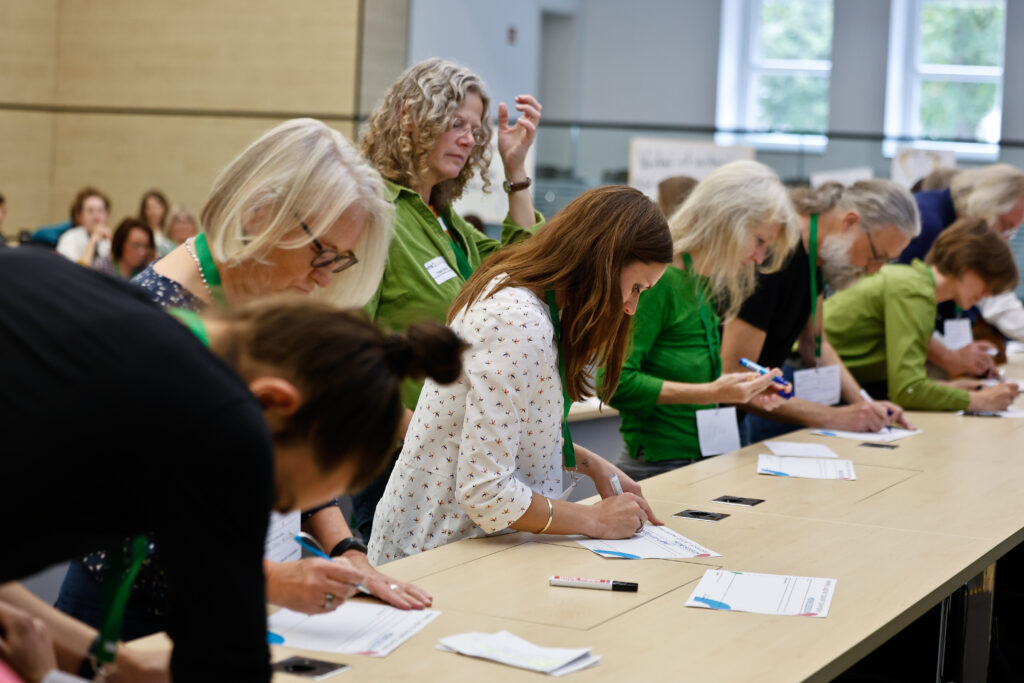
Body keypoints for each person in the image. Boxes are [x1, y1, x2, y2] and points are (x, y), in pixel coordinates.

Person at [0, 248, 465, 681]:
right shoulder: (221, 421)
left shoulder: (137, 328)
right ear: (272, 402)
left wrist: (124, 666)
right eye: (273, 491)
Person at [56, 118, 425, 649]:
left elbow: (293, 468)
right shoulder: (156, 316)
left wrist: (348, 554)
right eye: (321, 255)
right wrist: (276, 579)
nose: (324, 279)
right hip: (130, 620)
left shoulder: (268, 306)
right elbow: (134, 515)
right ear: (262, 214)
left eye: (340, 261)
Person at [368, 186, 673, 565]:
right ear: (603, 261)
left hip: (470, 553)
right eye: (636, 287)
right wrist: (593, 519)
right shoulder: (517, 321)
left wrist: (593, 464)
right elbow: (486, 492)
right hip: (438, 560)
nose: (630, 307)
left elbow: (511, 431)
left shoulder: (533, 305)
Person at [355, 57, 544, 540]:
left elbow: (521, 273)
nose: (468, 138)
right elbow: (351, 353)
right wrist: (415, 437)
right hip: (398, 456)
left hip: (454, 456)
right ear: (410, 119)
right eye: (455, 123)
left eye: (474, 129)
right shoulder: (372, 210)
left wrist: (516, 169)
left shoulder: (446, 221)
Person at [600, 161, 798, 479]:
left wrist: (744, 388)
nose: (760, 258)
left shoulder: (700, 280)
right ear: (728, 222)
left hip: (696, 461)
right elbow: (614, 383)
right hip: (658, 466)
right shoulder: (659, 282)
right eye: (759, 241)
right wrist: (713, 392)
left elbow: (693, 374)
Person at [722, 180, 920, 444]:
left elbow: (815, 342)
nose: (874, 270)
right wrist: (835, 417)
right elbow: (733, 374)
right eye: (876, 255)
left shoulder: (817, 254)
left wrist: (866, 404)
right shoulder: (773, 254)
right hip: (704, 416)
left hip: (735, 413)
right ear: (850, 222)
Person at [825, 217, 1020, 411]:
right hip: (810, 374)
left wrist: (953, 390)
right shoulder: (914, 292)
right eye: (988, 284)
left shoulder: (916, 283)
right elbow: (907, 391)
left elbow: (906, 383)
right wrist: (977, 401)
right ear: (966, 268)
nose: (987, 294)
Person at [899, 163, 1024, 377]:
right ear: (987, 205)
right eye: (1005, 226)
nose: (1003, 240)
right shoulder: (927, 223)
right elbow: (903, 311)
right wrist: (951, 356)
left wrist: (964, 349)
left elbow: (953, 306)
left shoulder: (950, 222)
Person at [55, 187, 111, 266]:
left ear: (107, 215)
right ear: (79, 217)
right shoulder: (69, 238)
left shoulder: (108, 241)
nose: (96, 217)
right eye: (90, 211)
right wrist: (93, 241)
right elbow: (75, 273)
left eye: (100, 211)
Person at [138, 190, 175, 258]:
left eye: (156, 207)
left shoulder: (170, 230)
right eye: (149, 208)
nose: (153, 212)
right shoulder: (139, 232)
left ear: (164, 209)